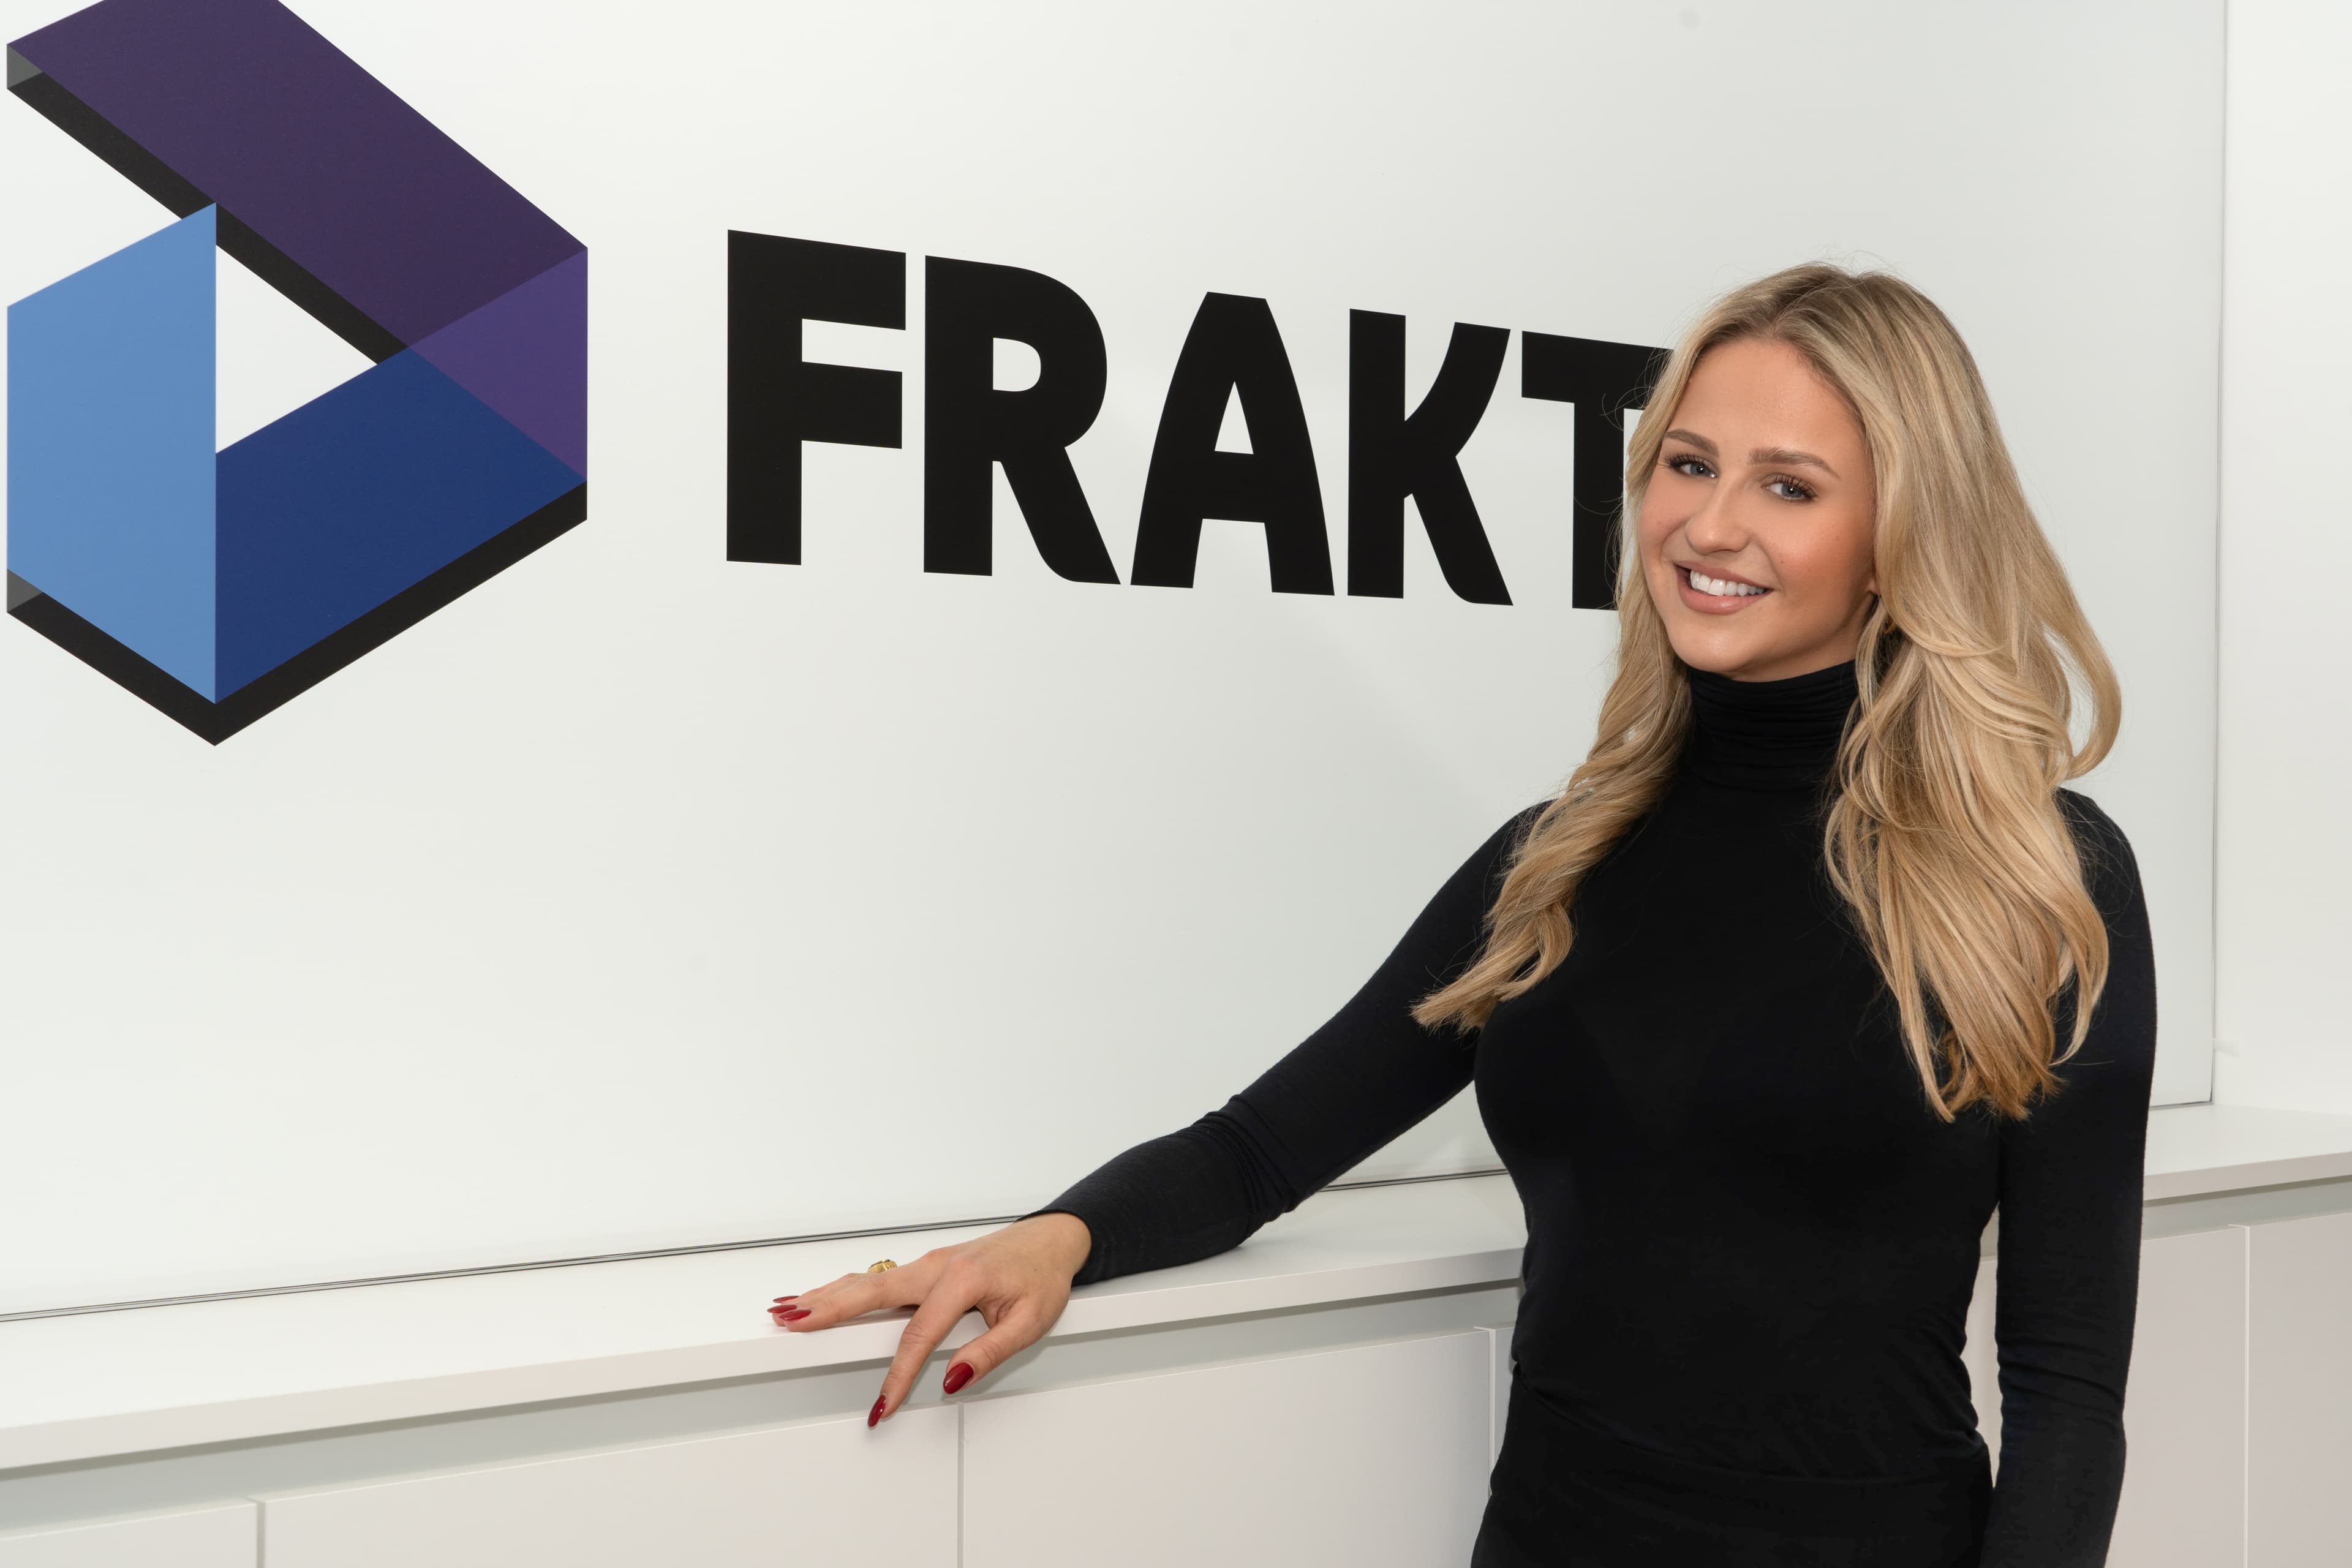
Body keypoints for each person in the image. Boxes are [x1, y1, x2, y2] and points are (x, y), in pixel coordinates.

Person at [762, 263, 2158, 1567]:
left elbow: (2066, 1382)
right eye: (1687, 462)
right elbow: (1260, 1148)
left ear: (1901, 535)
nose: (1709, 524)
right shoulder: (1555, 862)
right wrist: (1052, 1237)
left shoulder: (2040, 881)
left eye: (1789, 485)